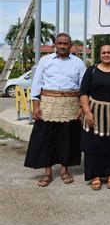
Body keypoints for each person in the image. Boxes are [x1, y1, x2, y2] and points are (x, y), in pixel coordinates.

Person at [24, 33, 86, 187]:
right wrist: (36, 105)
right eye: (60, 43)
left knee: (68, 139)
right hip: (48, 104)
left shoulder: (78, 63)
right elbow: (37, 83)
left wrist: (81, 107)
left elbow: (84, 87)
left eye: (66, 44)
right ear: (55, 45)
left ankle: (65, 170)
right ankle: (48, 172)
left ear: (71, 45)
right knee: (46, 139)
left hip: (70, 104)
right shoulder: (45, 61)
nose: (63, 46)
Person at [80, 44, 110, 190]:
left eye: (109, 52)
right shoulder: (91, 71)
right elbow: (83, 93)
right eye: (103, 52)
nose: (106, 55)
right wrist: (87, 112)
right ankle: (95, 174)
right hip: (94, 113)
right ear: (100, 54)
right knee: (93, 144)